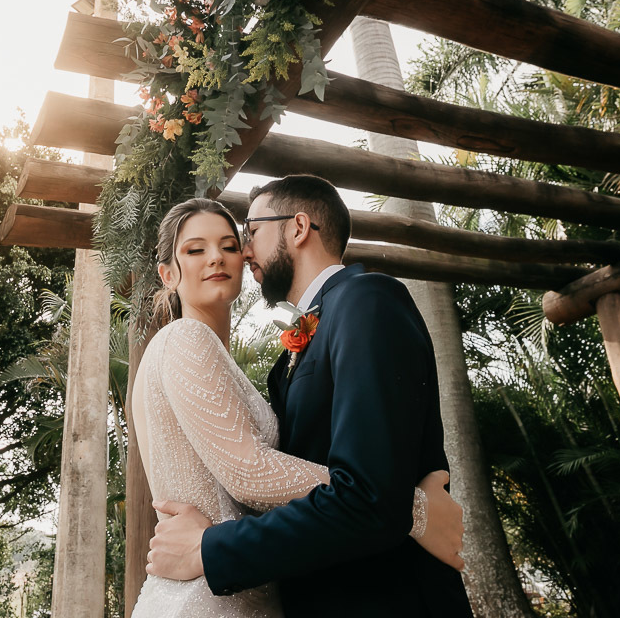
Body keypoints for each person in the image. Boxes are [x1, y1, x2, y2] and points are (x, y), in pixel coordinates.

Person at [146, 177, 474, 617]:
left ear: (298, 227)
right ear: (167, 273)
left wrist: (209, 548)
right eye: (196, 249)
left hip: (386, 597)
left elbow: (367, 481)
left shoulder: (367, 299)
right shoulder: (269, 356)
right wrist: (416, 510)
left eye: (247, 235)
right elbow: (261, 474)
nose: (241, 253)